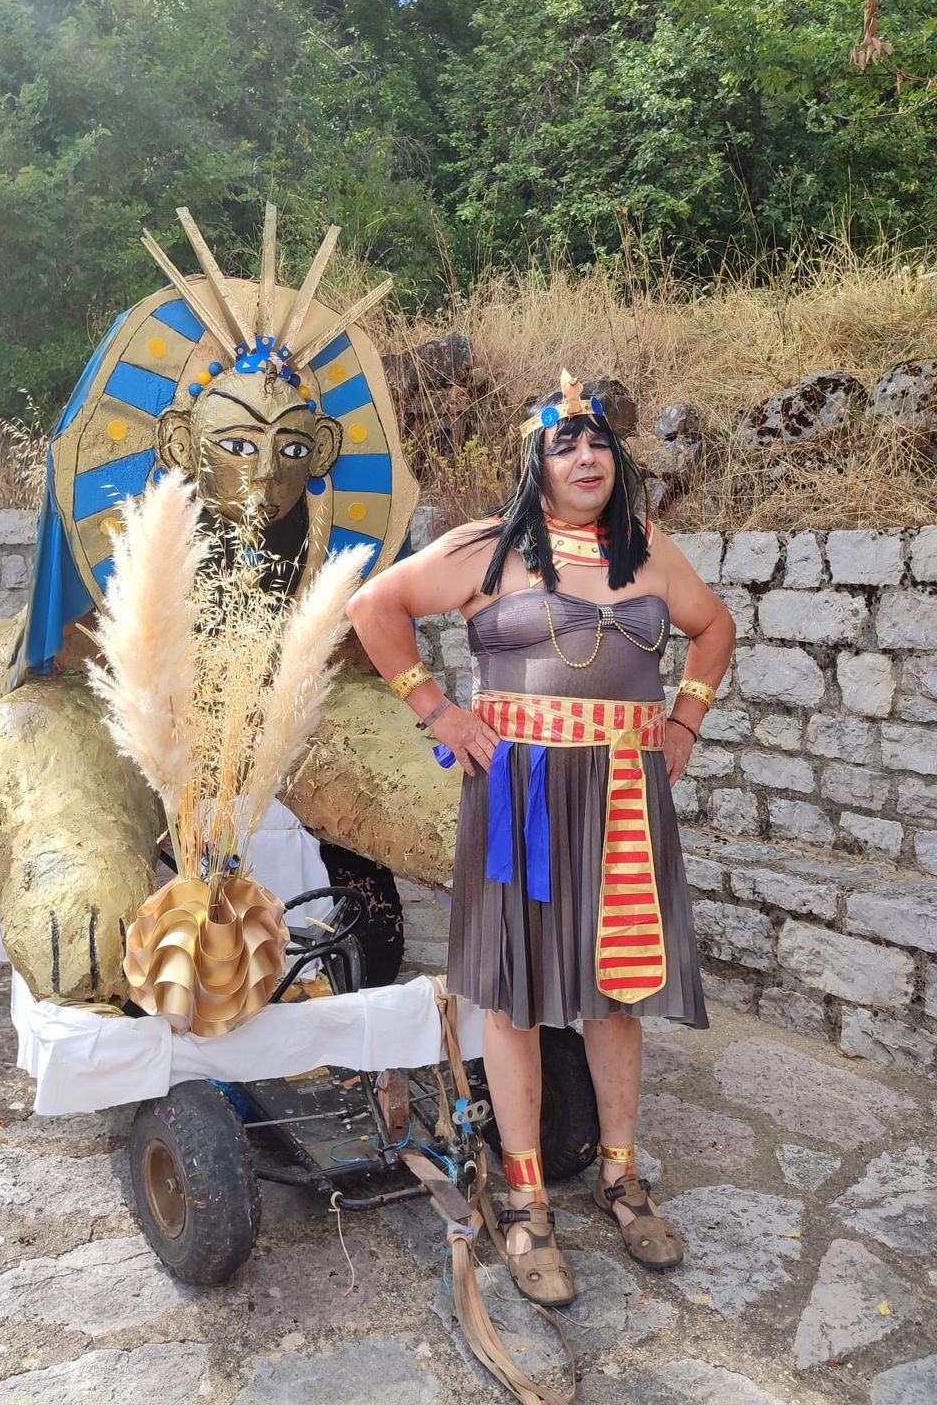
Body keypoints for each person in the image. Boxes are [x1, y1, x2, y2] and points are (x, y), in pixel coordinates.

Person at [346, 372, 735, 1307]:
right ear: (538, 462)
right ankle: (525, 1204)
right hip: (518, 798)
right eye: (566, 445)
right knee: (515, 1000)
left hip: (625, 803)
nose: (587, 458)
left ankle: (622, 1177)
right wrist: (436, 710)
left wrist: (682, 724)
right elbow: (374, 608)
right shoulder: (490, 548)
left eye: (598, 443)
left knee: (616, 994)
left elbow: (714, 627)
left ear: (617, 459)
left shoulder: (648, 553)